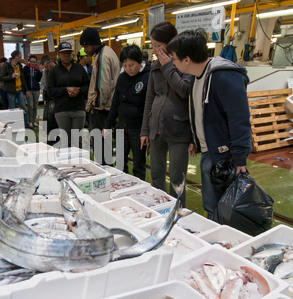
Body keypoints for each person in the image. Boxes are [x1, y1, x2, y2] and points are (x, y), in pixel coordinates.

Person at [167, 28, 252, 218]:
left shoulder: (223, 76)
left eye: (173, 58)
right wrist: (194, 140)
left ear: (186, 59)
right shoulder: (197, 77)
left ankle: (224, 242)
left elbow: (240, 118)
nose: (172, 62)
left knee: (224, 208)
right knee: (211, 204)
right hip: (209, 152)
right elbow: (198, 112)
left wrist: (240, 157)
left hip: (224, 156)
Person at [139, 21, 193, 207]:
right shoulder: (154, 66)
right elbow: (149, 98)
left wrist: (168, 66)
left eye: (157, 45)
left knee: (177, 177)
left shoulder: (184, 63)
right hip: (156, 128)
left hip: (179, 128)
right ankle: (160, 208)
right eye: (152, 45)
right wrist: (145, 130)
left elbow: (184, 91)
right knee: (156, 172)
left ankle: (178, 212)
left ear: (170, 43)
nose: (154, 49)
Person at [103, 45, 150, 181]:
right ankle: (121, 185)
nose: (129, 69)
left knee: (138, 164)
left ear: (139, 62)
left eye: (132, 65)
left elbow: (149, 106)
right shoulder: (122, 77)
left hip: (138, 129)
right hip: (121, 126)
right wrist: (108, 125)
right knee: (120, 162)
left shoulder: (148, 76)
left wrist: (146, 131)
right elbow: (115, 103)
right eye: (125, 65)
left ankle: (138, 189)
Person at [80, 27, 120, 165]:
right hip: (108, 108)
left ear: (91, 43)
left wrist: (95, 106)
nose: (84, 50)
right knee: (106, 147)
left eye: (85, 46)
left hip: (101, 110)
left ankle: (104, 174)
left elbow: (102, 87)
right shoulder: (109, 52)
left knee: (100, 148)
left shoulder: (101, 57)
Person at [48, 42, 89, 148]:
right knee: (66, 141)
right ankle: (67, 164)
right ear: (59, 55)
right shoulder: (54, 71)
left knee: (77, 141)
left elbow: (88, 86)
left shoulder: (79, 68)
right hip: (62, 111)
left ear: (72, 54)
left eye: (68, 53)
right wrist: (66, 89)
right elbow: (50, 91)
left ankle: (79, 163)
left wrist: (78, 90)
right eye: (63, 53)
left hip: (78, 110)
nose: (66, 55)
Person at [0, 50, 28, 127]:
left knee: (23, 107)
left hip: (20, 89)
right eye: (20, 57)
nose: (21, 58)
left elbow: (23, 78)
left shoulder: (20, 66)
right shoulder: (6, 65)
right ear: (15, 57)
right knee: (12, 108)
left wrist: (26, 90)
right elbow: (2, 77)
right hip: (11, 90)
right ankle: (14, 125)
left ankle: (26, 124)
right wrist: (11, 77)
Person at [40, 55, 58, 139]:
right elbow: (43, 81)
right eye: (44, 67)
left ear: (51, 62)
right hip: (48, 97)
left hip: (57, 97)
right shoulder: (45, 71)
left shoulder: (58, 69)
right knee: (48, 116)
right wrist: (43, 89)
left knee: (55, 117)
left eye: (46, 66)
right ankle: (50, 132)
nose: (46, 68)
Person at [23, 55, 42, 128]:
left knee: (35, 106)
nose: (32, 63)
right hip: (29, 90)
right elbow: (24, 79)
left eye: (34, 62)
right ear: (29, 61)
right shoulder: (26, 69)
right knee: (30, 106)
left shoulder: (37, 70)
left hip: (36, 90)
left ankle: (34, 121)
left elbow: (39, 79)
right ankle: (30, 121)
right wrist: (25, 90)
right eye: (31, 62)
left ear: (36, 62)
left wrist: (40, 72)